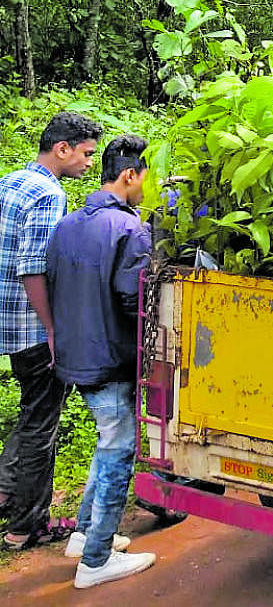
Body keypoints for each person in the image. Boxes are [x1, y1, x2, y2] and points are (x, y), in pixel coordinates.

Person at [45, 134, 157, 587]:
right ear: (130, 175)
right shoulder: (130, 230)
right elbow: (136, 301)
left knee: (106, 440)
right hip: (110, 359)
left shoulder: (69, 223)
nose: (146, 188)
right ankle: (95, 560)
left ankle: (84, 534)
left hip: (76, 356)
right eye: (145, 178)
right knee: (118, 450)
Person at [0, 112, 103, 551]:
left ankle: (7, 494)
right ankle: (26, 527)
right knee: (43, 424)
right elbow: (32, 268)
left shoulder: (11, 181)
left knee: (31, 413)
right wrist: (53, 330)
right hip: (30, 327)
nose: (89, 164)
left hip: (8, 322)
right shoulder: (48, 194)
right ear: (62, 149)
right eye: (85, 154)